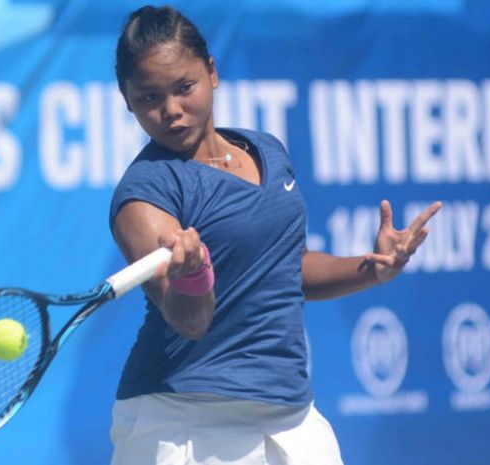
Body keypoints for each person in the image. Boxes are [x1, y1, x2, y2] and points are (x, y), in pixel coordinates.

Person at [108, 5, 441, 465]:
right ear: (127, 100)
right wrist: (193, 274)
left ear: (212, 72)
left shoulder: (266, 150)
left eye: (184, 88)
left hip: (293, 417)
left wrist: (371, 268)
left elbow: (290, 269)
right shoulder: (143, 196)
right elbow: (189, 321)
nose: (171, 111)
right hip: (183, 419)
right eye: (148, 98)